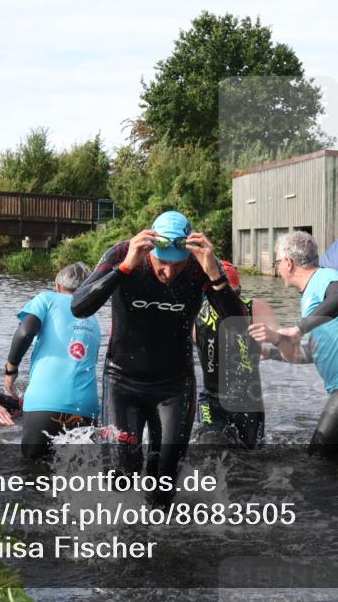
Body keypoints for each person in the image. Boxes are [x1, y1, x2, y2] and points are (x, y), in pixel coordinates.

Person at [70, 210, 246, 506]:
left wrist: (215, 274)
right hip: (122, 380)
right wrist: (124, 268)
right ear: (150, 250)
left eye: (176, 265)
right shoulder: (124, 253)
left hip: (174, 386)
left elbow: (239, 327)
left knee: (162, 488)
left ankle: (159, 544)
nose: (168, 272)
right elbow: (79, 307)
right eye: (162, 263)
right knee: (119, 479)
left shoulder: (198, 265)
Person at [248, 231, 338, 456]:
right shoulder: (310, 295)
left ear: (288, 263)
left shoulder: (324, 276)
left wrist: (298, 328)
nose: (277, 268)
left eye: (277, 262)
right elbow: (314, 353)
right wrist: (270, 352)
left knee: (318, 457)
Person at [0, 263, 101, 460]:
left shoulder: (47, 298)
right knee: (78, 477)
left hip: (45, 403)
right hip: (87, 408)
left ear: (57, 286)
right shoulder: (93, 317)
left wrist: (11, 369)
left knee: (32, 473)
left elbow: (25, 332)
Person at [192, 261, 277, 449]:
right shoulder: (195, 312)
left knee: (252, 458)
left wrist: (271, 350)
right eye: (221, 297)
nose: (227, 304)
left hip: (248, 401)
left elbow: (285, 344)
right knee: (209, 450)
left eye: (232, 296)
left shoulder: (255, 308)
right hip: (211, 399)